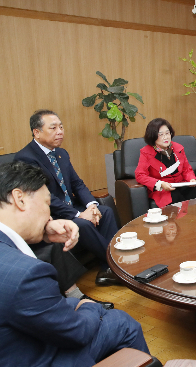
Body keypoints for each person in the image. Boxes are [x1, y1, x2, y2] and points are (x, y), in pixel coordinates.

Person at [0, 162, 148, 367]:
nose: (50, 214)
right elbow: (76, 333)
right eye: (47, 204)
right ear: (19, 199)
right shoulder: (24, 274)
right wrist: (86, 305)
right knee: (119, 323)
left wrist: (42, 231)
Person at [15, 109, 120, 286]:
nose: (60, 131)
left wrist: (91, 206)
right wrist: (78, 215)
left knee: (106, 211)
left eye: (61, 127)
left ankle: (107, 268)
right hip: (51, 213)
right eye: (53, 127)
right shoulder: (26, 158)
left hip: (72, 207)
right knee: (83, 224)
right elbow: (43, 197)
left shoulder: (61, 153)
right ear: (37, 132)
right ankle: (119, 264)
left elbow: (77, 183)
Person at [135, 118, 196, 208]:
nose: (166, 137)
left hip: (180, 184)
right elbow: (140, 175)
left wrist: (191, 179)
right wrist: (160, 183)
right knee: (174, 197)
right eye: (161, 135)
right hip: (163, 189)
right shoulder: (146, 152)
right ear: (153, 136)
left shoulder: (178, 148)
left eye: (167, 133)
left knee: (195, 191)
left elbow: (187, 169)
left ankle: (195, 220)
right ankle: (178, 221)